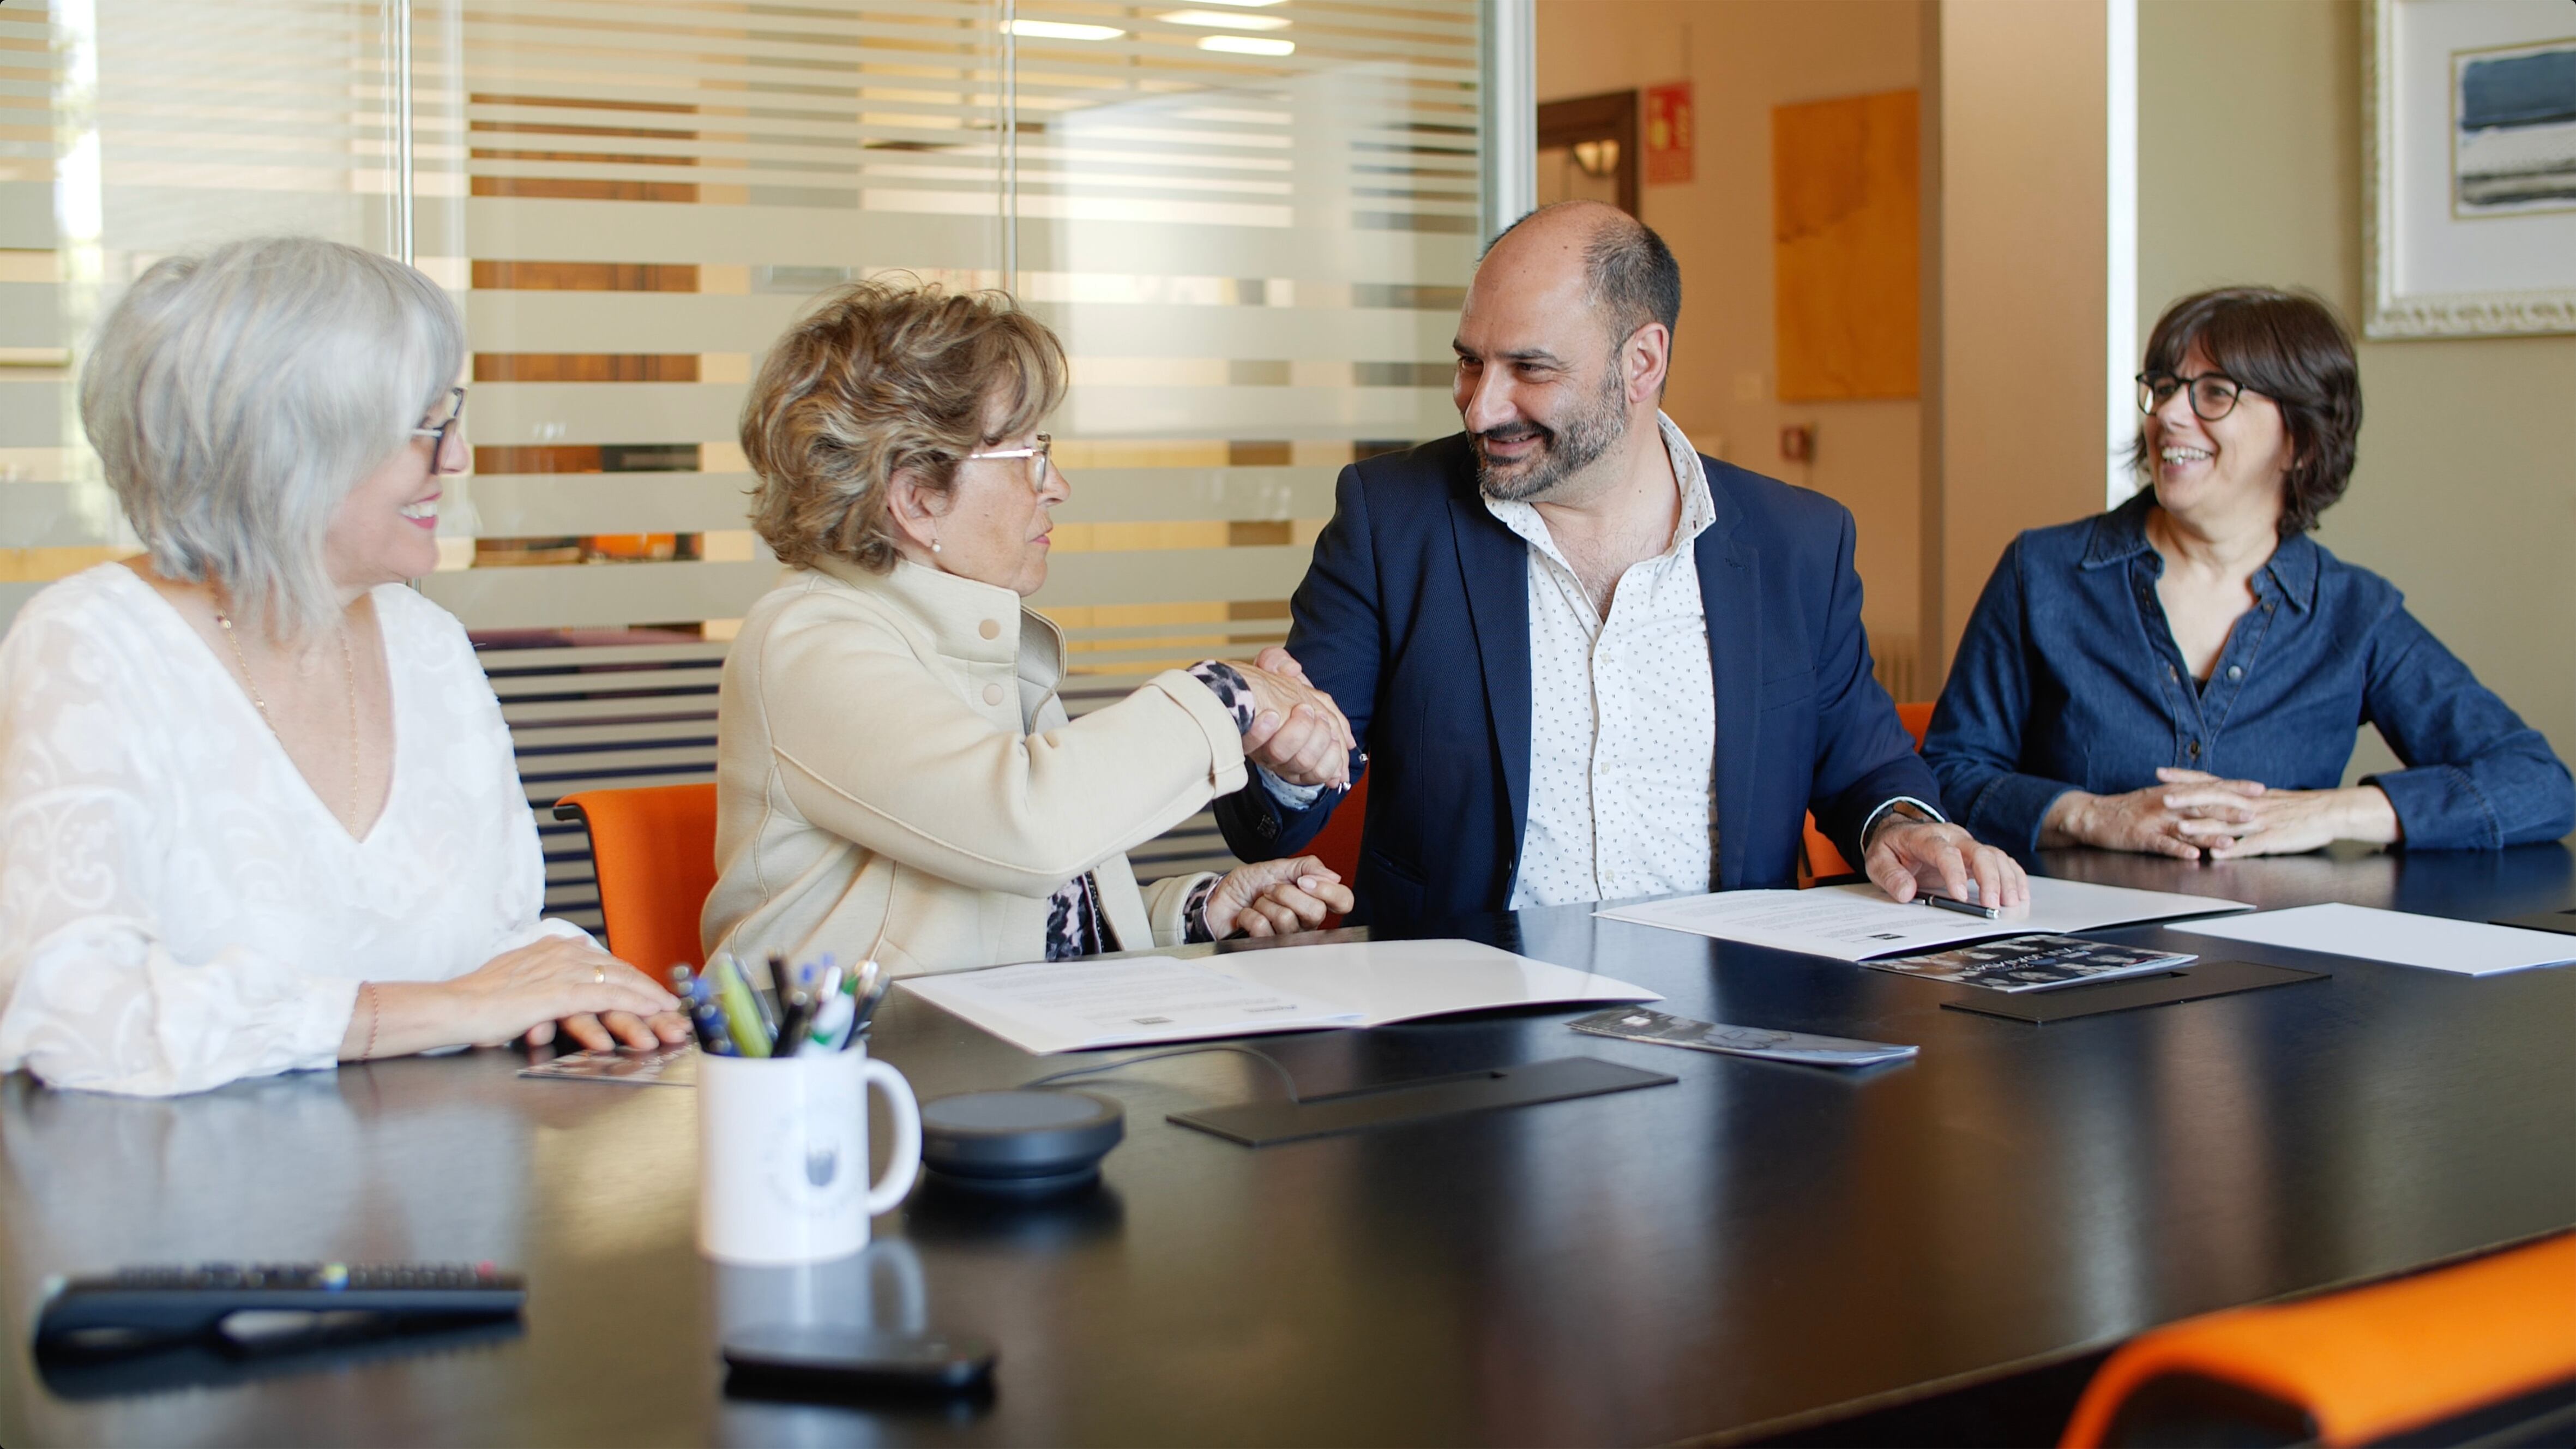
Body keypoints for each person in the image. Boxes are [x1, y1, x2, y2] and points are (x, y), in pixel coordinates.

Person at [0, 236, 687, 1098]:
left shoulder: (426, 643)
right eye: (426, 429)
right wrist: (429, 1012)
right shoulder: (91, 642)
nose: (457, 458)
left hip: (445, 1155)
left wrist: (570, 973)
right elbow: (74, 1013)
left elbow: (490, 943)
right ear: (288, 450)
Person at [1212, 201, 2027, 922]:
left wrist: (1903, 827)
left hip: (1735, 1011)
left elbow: (1866, 768)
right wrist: (1286, 761)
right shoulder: (1393, 521)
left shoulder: (1795, 543)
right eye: (1469, 361)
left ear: (1642, 362)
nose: (1481, 406)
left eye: (1529, 368)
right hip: (1469, 1014)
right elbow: (1272, 818)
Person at [701, 278, 1362, 976]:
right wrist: (1227, 694)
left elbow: (999, 910)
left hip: (966, 1033)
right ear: (917, 499)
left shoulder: (963, 630)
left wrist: (1195, 911)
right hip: (851, 1047)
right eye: (1026, 454)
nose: (1056, 486)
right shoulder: (809, 642)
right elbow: (1027, 825)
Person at [1923, 286, 2572, 858]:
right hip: (2066, 943)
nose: (2168, 414)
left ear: (2300, 440)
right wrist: (2092, 815)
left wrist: (2326, 813)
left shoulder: (2353, 611)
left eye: (2214, 392)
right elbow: (1945, 774)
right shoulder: (2041, 573)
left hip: (2282, 949)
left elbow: (2538, 783)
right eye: (2164, 387)